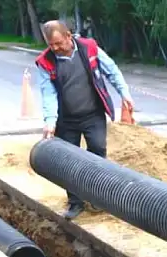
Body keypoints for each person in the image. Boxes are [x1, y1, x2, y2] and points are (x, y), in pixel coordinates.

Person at [35, 20, 134, 220]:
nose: (55, 48)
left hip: (93, 114)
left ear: (68, 36)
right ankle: (75, 202)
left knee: (98, 151)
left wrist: (125, 94)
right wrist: (50, 121)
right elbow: (48, 94)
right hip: (66, 119)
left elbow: (112, 71)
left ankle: (96, 197)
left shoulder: (89, 48)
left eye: (58, 43)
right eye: (51, 45)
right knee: (68, 161)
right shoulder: (45, 62)